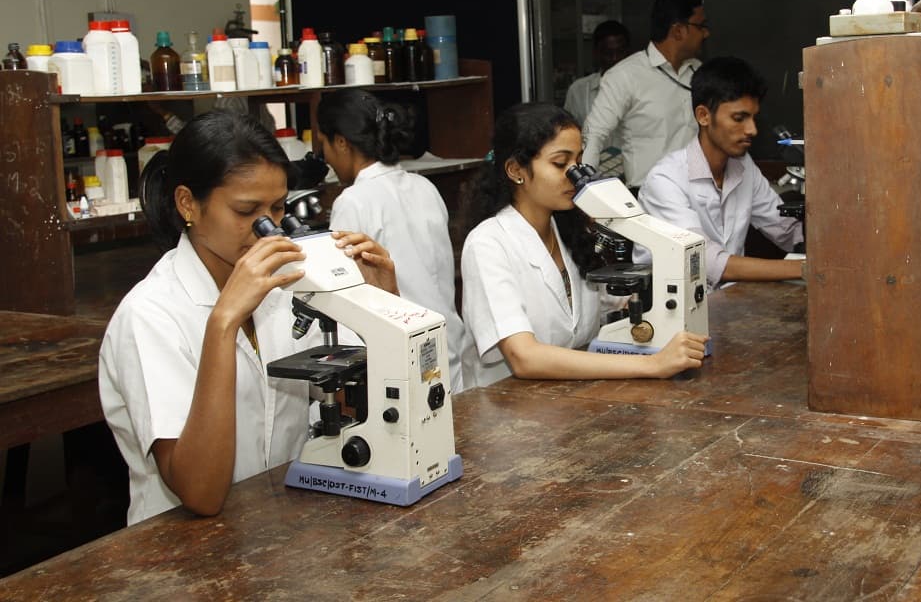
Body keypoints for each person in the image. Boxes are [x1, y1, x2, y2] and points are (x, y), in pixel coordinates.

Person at [99, 110, 396, 525]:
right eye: (246, 210)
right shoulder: (150, 316)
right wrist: (223, 323)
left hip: (283, 525)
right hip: (183, 553)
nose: (267, 228)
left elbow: (355, 401)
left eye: (277, 208)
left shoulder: (286, 286)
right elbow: (200, 494)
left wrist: (382, 301)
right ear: (188, 203)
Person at [460, 102, 707, 388]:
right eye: (560, 163)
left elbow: (610, 306)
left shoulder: (568, 230)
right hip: (505, 411)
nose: (573, 175)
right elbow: (524, 357)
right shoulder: (488, 244)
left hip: (569, 401)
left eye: (577, 162)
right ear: (517, 169)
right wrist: (652, 364)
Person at [317, 89, 469, 393]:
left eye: (324, 146)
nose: (327, 159)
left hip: (404, 350)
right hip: (448, 344)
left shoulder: (354, 201)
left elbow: (342, 292)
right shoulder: (424, 186)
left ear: (341, 142)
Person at [638, 57, 804, 289]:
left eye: (754, 118)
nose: (752, 130)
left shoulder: (744, 168)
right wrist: (807, 268)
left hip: (728, 307)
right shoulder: (665, 180)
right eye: (739, 118)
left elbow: (787, 231)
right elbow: (707, 262)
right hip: (677, 316)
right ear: (703, 116)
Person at [581, 0, 709, 189]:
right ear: (678, 30)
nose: (706, 33)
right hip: (650, 198)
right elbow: (594, 133)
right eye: (701, 26)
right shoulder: (624, 75)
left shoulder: (699, 71)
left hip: (700, 193)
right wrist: (586, 190)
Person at [563, 20, 631, 128]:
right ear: (596, 53)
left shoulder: (644, 87)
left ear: (629, 52)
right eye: (608, 53)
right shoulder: (578, 90)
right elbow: (569, 133)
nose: (615, 58)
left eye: (620, 51)